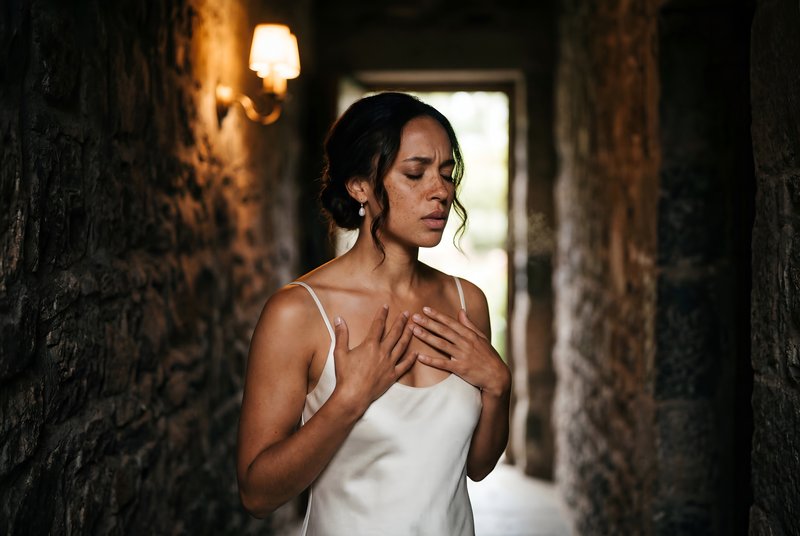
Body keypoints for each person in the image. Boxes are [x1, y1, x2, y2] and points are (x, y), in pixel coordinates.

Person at [237, 92, 511, 535]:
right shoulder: (298, 312)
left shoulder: (467, 303)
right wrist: (347, 400)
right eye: (415, 173)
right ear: (360, 185)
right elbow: (257, 494)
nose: (440, 190)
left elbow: (476, 467)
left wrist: (499, 387)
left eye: (446, 173)